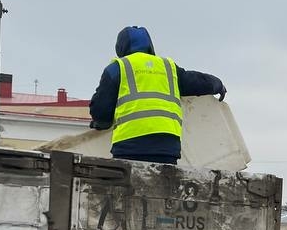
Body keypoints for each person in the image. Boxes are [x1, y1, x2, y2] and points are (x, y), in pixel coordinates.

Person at [88, 26, 227, 164]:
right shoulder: (168, 68)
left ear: (120, 48)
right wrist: (217, 85)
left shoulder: (118, 68)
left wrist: (101, 123)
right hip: (167, 147)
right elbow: (197, 81)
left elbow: (100, 110)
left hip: (130, 147)